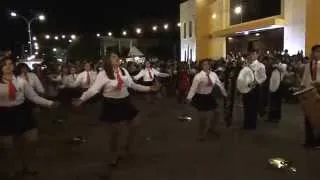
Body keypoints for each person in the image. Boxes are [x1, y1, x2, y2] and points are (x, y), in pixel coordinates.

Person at [72, 51, 159, 167]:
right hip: (111, 103)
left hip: (125, 101)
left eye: (117, 56)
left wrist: (150, 89)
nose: (117, 58)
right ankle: (114, 155)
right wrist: (82, 99)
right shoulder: (103, 74)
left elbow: (133, 85)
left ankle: (127, 147)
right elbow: (93, 90)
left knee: (136, 123)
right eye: (113, 57)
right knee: (115, 133)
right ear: (108, 61)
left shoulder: (123, 71)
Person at [0, 57, 58, 178]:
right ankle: (12, 168)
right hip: (4, 114)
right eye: (5, 65)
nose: (8, 66)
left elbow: (33, 97)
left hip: (21, 111)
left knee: (32, 139)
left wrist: (50, 103)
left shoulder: (21, 81)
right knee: (8, 145)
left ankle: (26, 165)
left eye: (10, 64)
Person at [186, 59, 227, 141]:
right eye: (204, 64)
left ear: (210, 65)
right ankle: (201, 135)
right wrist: (189, 97)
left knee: (217, 112)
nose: (206, 66)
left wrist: (225, 94)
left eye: (207, 64)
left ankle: (211, 128)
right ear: (201, 66)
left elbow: (220, 84)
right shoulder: (198, 76)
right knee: (203, 118)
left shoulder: (213, 74)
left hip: (209, 96)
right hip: (200, 97)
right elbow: (193, 88)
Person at [237, 50, 266, 130]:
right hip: (246, 87)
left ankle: (252, 124)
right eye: (250, 54)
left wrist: (255, 83)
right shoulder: (246, 64)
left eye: (253, 54)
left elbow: (263, 77)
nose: (251, 56)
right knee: (246, 106)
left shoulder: (261, 65)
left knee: (253, 107)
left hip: (254, 88)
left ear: (257, 55)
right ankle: (246, 123)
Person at [301, 44, 320, 149]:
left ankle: (318, 141)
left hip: (319, 92)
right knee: (308, 117)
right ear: (312, 53)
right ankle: (309, 140)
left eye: (319, 51)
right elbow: (305, 79)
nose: (317, 54)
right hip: (309, 92)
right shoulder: (308, 65)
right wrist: (302, 90)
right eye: (316, 51)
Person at [267, 59, 287, 123]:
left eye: (277, 59)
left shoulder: (283, 65)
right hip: (272, 85)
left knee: (277, 103)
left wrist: (276, 66)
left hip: (279, 86)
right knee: (271, 102)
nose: (275, 61)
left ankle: (277, 118)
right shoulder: (273, 66)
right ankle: (270, 117)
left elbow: (282, 70)